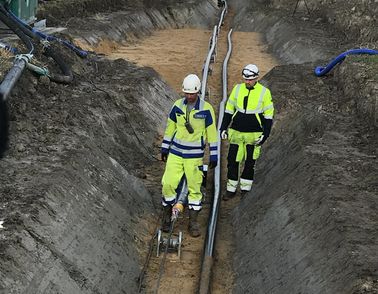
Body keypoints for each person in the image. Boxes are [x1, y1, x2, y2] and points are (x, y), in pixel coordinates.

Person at [161, 74, 218, 237]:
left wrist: (214, 154)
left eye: (191, 93)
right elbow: (170, 128)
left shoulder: (206, 110)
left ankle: (193, 223)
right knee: (168, 184)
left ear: (198, 92)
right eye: (186, 93)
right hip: (176, 153)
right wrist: (165, 148)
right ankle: (167, 217)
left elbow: (212, 134)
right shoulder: (177, 106)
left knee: (194, 188)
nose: (189, 96)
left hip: (194, 157)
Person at [220, 64, 274, 200]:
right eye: (245, 79)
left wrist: (265, 134)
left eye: (250, 80)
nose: (247, 82)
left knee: (250, 162)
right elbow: (229, 109)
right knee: (232, 161)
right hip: (236, 133)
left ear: (256, 78)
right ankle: (230, 189)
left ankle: (245, 189)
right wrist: (223, 127)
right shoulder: (237, 89)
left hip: (254, 135)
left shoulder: (264, 92)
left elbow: (268, 116)